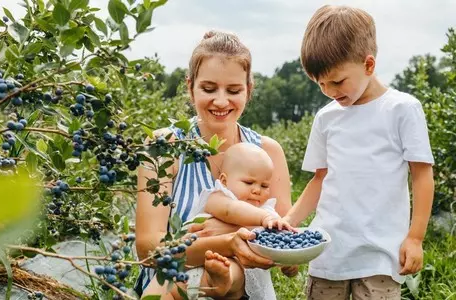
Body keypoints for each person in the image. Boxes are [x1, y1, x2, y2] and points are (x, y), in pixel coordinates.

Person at [283, 5, 435, 300]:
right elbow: (319, 180)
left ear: (368, 65)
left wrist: (415, 238)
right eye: (320, 84)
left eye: (337, 81)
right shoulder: (326, 118)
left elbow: (422, 175)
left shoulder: (402, 109)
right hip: (328, 252)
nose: (329, 91)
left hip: (379, 253)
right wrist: (289, 223)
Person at [135, 30, 293, 299]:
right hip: (170, 285)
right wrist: (226, 242)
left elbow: (287, 247)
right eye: (209, 89)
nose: (221, 101)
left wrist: (287, 257)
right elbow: (148, 249)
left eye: (233, 90)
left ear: (249, 90)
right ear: (190, 87)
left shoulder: (267, 152)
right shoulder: (163, 147)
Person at [143, 143, 298, 299]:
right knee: (164, 287)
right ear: (224, 181)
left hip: (234, 274)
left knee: (233, 267)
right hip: (191, 263)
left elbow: (277, 244)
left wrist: (287, 260)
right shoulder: (219, 196)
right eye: (249, 183)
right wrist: (263, 218)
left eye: (264, 185)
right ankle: (215, 280)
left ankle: (218, 280)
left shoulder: (267, 210)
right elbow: (231, 210)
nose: (257, 190)